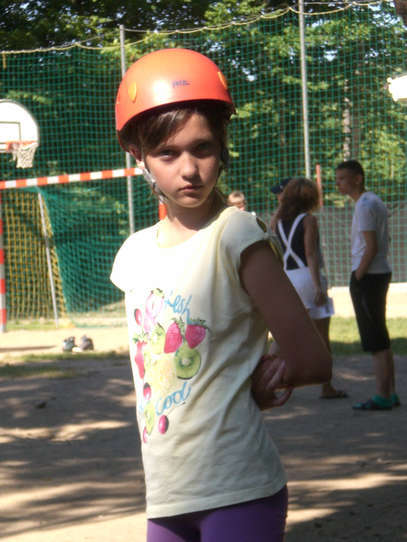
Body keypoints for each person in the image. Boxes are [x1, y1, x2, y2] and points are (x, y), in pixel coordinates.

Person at [111, 48, 332, 542]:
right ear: (138, 155)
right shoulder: (133, 255)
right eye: (168, 153)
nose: (188, 168)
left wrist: (259, 378)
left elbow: (313, 359)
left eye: (202, 148)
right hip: (167, 496)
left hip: (239, 489)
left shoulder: (236, 234)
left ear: (222, 146)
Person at [271, 177, 347, 400]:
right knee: (322, 337)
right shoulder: (308, 220)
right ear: (310, 198)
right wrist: (317, 287)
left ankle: (266, 381)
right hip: (306, 277)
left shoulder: (276, 220)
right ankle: (327, 386)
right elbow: (311, 254)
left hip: (287, 277)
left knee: (284, 335)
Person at [335, 159, 400, 410]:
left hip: (369, 276)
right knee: (381, 337)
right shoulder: (374, 201)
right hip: (379, 273)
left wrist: (358, 276)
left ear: (358, 178)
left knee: (375, 340)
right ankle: (390, 393)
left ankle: (383, 395)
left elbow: (370, 247)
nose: (338, 184)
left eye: (342, 178)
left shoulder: (364, 205)